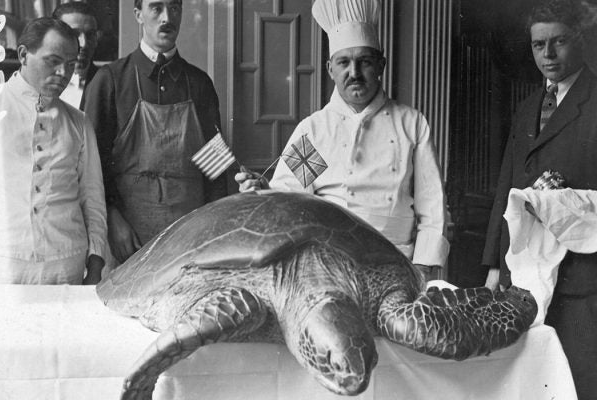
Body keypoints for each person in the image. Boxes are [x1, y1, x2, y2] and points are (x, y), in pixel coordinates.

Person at [236, 0, 449, 281]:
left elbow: (432, 208)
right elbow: (290, 199)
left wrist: (423, 268)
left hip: (398, 265)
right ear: (330, 69)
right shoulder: (315, 130)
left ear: (381, 64)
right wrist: (265, 191)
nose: (355, 73)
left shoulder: (411, 124)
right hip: (328, 269)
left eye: (365, 62)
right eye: (344, 63)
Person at [482, 1, 597, 398]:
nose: (547, 55)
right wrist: (496, 266)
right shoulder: (529, 106)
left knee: (580, 382)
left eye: (559, 42)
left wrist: (564, 199)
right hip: (525, 273)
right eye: (538, 45)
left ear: (579, 40)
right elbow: (507, 185)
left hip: (582, 280)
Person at [83, 0, 226, 264]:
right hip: (127, 240)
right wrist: (112, 218)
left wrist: (210, 232)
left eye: (174, 8)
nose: (166, 17)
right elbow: (90, 166)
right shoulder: (110, 80)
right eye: (156, 8)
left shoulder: (199, 83)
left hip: (188, 239)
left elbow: (215, 168)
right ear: (138, 14)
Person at [0, 17, 106, 284]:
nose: (63, 73)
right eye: (52, 61)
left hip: (66, 266)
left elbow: (92, 198)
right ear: (23, 55)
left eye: (70, 65)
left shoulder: (78, 122)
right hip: (5, 266)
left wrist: (96, 261)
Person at [52, 1, 100, 109]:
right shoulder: (33, 84)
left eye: (90, 35)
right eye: (74, 34)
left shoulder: (108, 85)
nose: (84, 43)